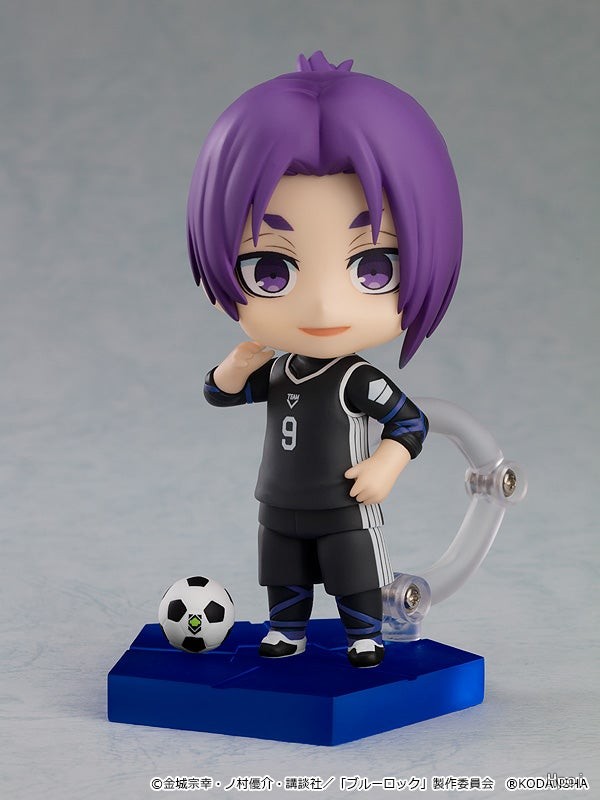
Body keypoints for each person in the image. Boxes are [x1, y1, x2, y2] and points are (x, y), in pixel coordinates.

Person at [187, 51, 462, 667]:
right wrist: (232, 369)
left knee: (352, 571)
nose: (321, 304)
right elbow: (221, 393)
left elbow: (410, 422)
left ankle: (364, 634)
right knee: (282, 570)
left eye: (374, 267)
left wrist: (387, 464)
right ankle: (288, 631)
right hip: (278, 499)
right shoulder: (280, 367)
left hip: (344, 504)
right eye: (271, 269)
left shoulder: (356, 377)